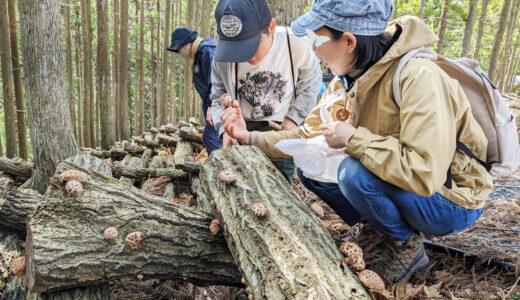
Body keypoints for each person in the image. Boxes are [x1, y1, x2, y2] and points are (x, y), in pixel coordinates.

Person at [220, 0, 492, 283]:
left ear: (348, 41)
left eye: (316, 38)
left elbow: (424, 172)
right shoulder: (346, 79)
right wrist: (249, 137)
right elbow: (306, 136)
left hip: (452, 201)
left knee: (353, 173)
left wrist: (354, 139)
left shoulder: (419, 77)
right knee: (310, 166)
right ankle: (381, 229)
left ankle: (405, 245)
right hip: (408, 184)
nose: (312, 49)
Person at [210, 0, 322, 183]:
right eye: (237, 47)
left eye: (253, 44)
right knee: (241, 183)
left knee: (279, 183)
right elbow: (217, 96)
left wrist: (296, 117)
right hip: (241, 125)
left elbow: (311, 82)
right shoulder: (221, 58)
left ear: (270, 27)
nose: (248, 55)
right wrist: (224, 129)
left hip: (280, 125)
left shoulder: (296, 43)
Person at [167, 27, 222, 154]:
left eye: (179, 49)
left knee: (210, 137)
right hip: (212, 102)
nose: (179, 54)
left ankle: (223, 169)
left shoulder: (207, 51)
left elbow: (216, 80)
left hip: (218, 102)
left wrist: (211, 105)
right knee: (214, 136)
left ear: (186, 45)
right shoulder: (199, 54)